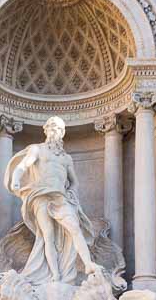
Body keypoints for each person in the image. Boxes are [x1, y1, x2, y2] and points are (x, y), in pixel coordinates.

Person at [6, 116, 103, 285]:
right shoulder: (37, 149)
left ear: (62, 132)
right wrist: (15, 179)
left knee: (75, 228)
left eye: (57, 128)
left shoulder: (66, 158)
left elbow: (74, 182)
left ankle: (88, 264)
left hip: (59, 197)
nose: (54, 131)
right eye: (51, 127)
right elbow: (23, 166)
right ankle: (55, 275)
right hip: (40, 197)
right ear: (46, 131)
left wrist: (72, 192)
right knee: (47, 236)